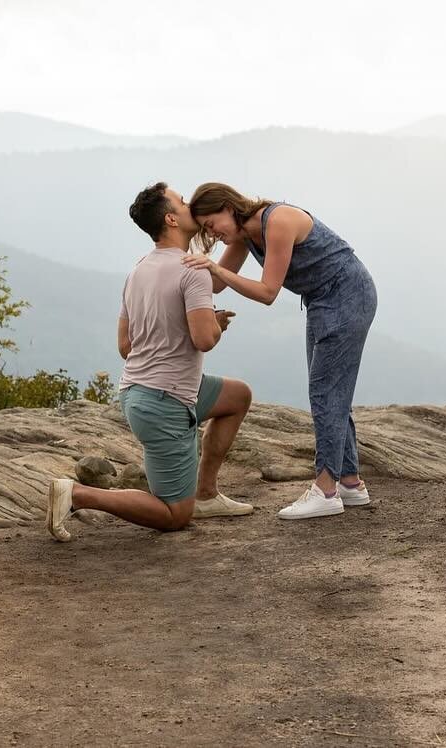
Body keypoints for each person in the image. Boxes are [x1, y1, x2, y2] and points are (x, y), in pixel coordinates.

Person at [46, 182, 254, 542]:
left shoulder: (138, 269)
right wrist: (216, 325)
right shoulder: (194, 270)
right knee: (174, 515)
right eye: (182, 201)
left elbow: (126, 346)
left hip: (138, 393)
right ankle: (78, 495)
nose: (191, 204)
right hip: (166, 402)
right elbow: (204, 340)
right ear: (172, 219)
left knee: (237, 397)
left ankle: (205, 494)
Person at [182, 183, 376, 521]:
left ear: (229, 207)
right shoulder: (244, 234)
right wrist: (181, 260)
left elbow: (268, 291)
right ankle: (349, 482)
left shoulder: (279, 221)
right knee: (331, 390)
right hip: (321, 301)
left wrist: (214, 267)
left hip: (347, 295)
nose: (212, 234)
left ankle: (325, 490)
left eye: (212, 224)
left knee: (326, 391)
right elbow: (216, 283)